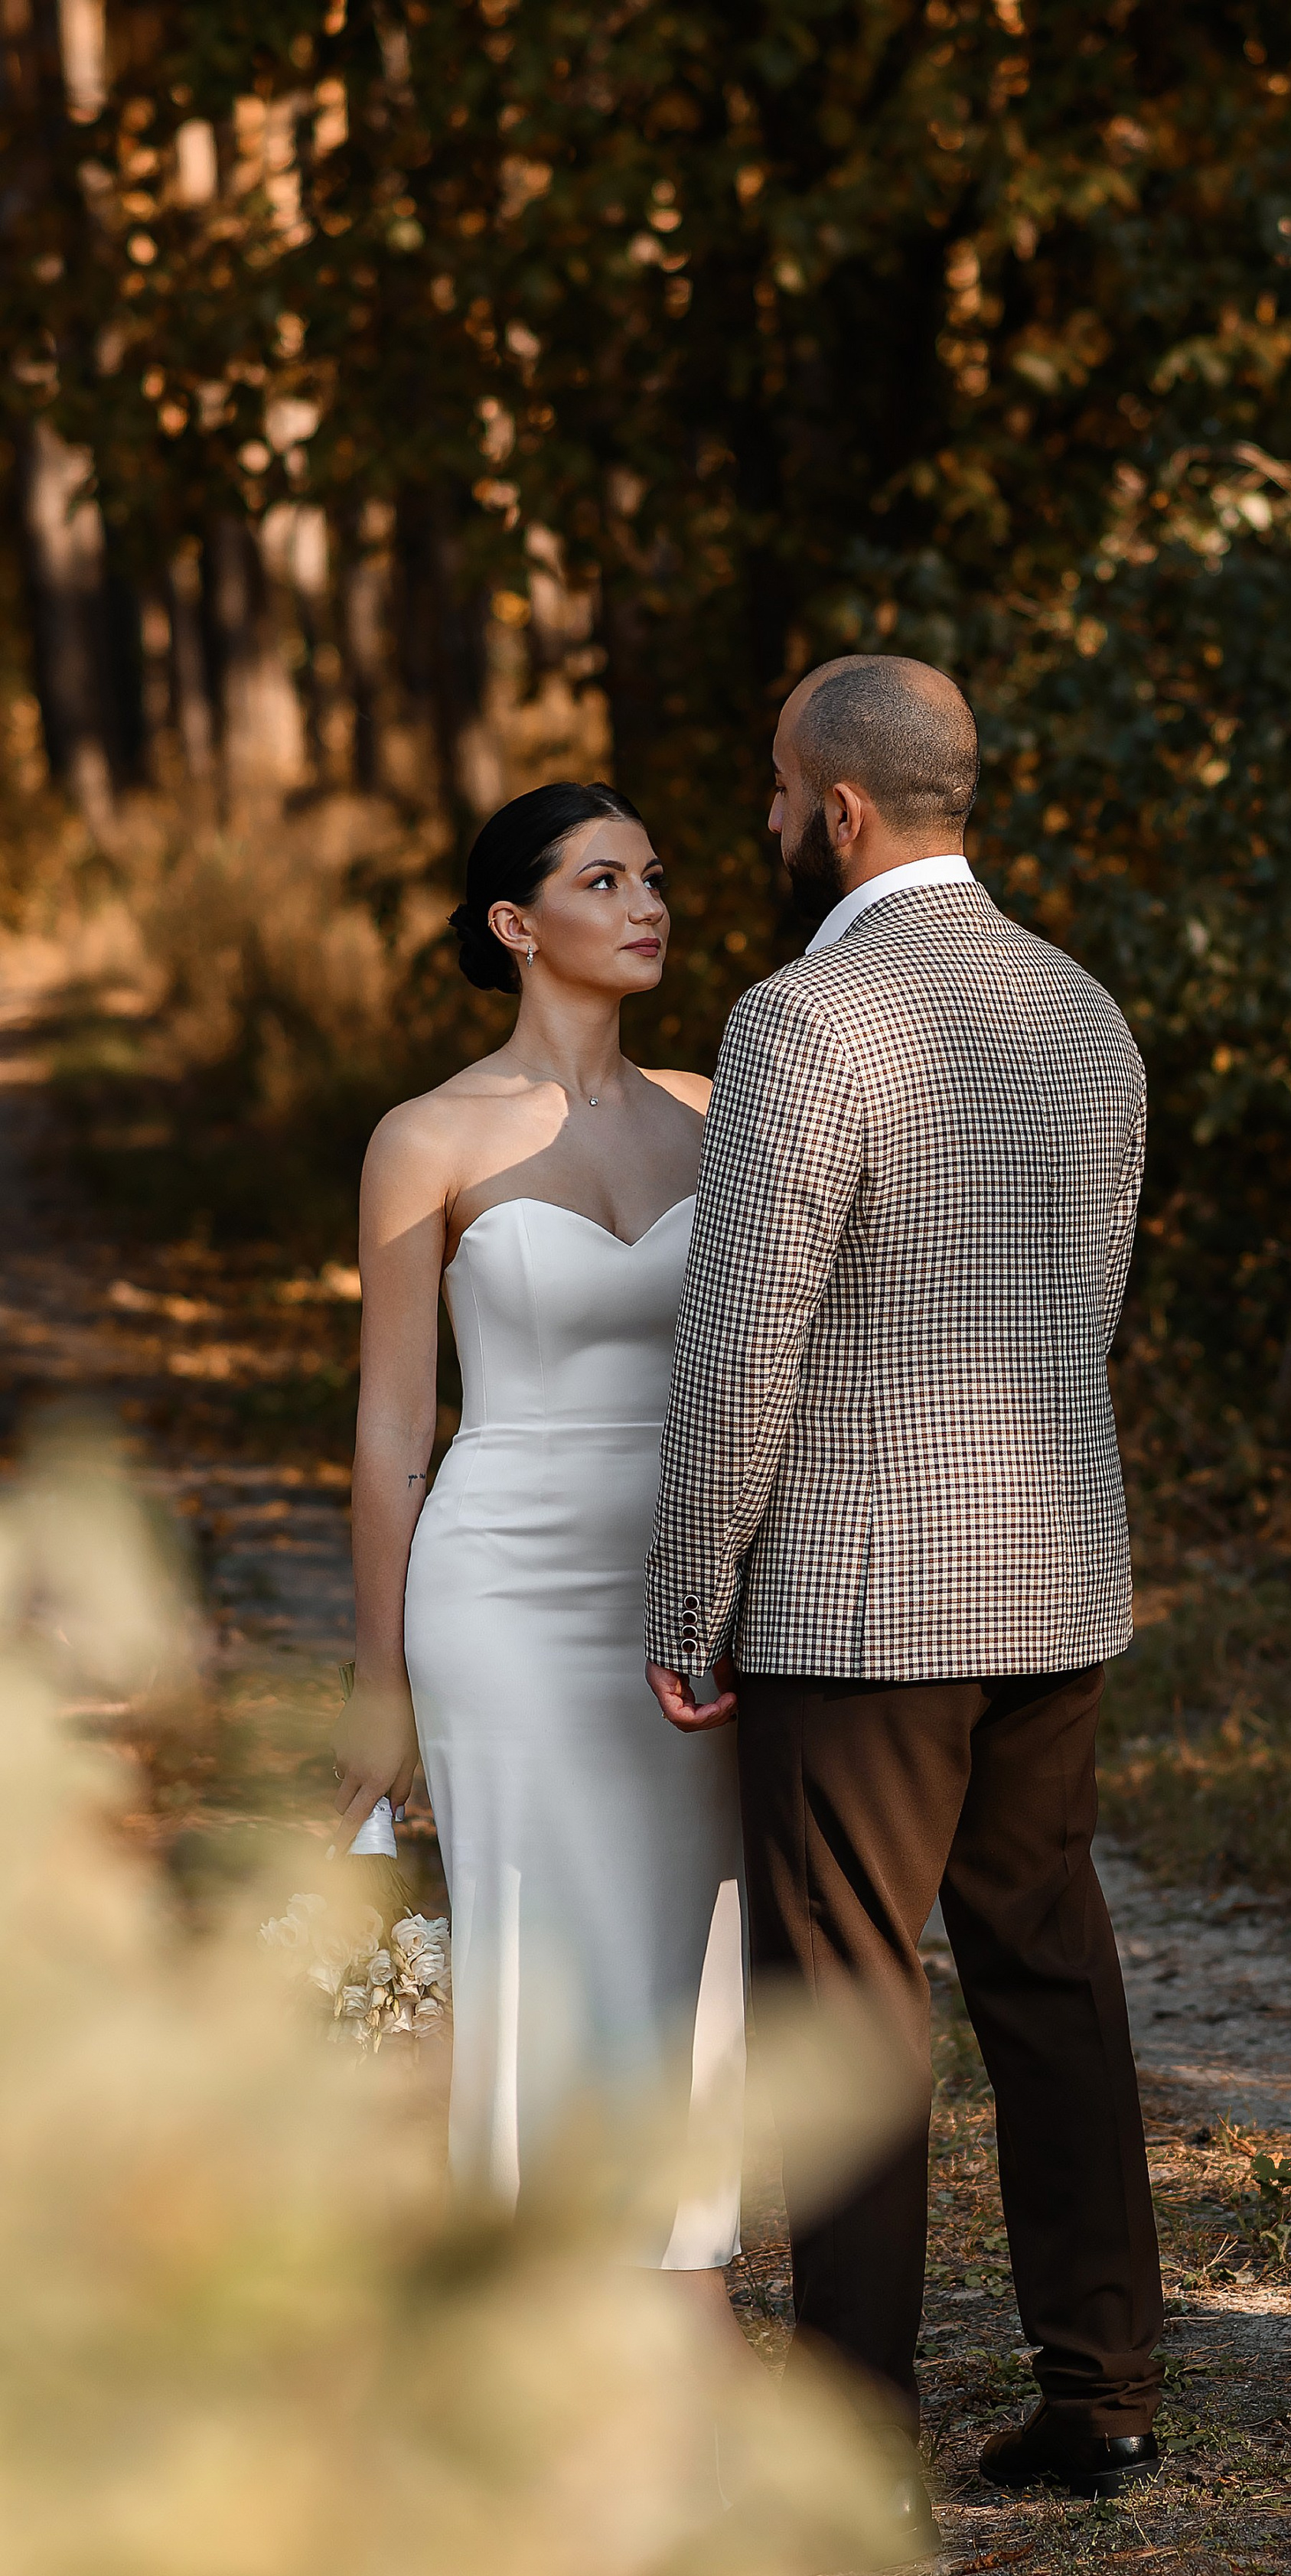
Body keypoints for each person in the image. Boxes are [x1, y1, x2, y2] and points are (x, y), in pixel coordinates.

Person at [645, 655, 1163, 2535]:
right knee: (1048, 1971)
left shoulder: (803, 1018)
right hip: (1051, 1570)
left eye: (783, 791)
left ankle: (852, 2433)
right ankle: (1101, 2398)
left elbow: (742, 1347)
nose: (772, 820)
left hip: (857, 1602)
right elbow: (1090, 1301)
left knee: (847, 2001)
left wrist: (686, 1595)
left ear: (842, 810)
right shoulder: (1081, 1007)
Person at [332, 782, 746, 2340]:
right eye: (604, 880)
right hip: (499, 1588)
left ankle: (686, 2277)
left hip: (683, 1586)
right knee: (531, 1935)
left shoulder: (717, 1107)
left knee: (686, 1936)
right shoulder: (423, 1138)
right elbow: (393, 1427)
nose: (648, 906)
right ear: (516, 924)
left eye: (654, 876)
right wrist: (376, 1685)